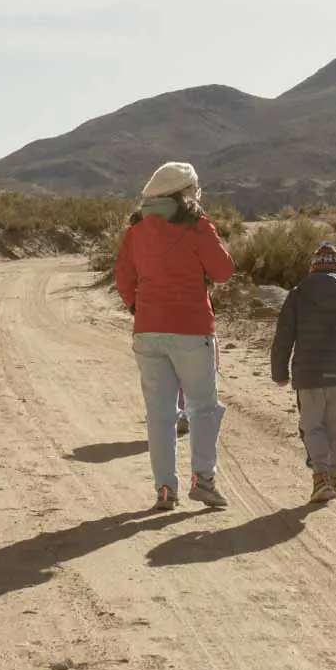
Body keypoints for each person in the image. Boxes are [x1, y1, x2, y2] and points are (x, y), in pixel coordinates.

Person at [115, 162, 236, 511]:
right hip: (192, 328)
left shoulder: (136, 229)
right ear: (184, 192)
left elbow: (123, 277)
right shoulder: (197, 226)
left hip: (148, 330)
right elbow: (224, 271)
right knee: (203, 408)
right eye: (195, 188)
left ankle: (165, 489)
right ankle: (204, 479)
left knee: (160, 414)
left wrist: (141, 307)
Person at [270, 242, 336, 504]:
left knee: (312, 427)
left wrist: (279, 372)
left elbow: (283, 336)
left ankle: (321, 476)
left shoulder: (298, 293)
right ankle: (333, 475)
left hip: (309, 376)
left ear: (313, 268)